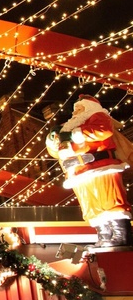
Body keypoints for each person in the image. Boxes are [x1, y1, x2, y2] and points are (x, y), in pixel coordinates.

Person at [46, 95, 133, 247]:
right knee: (91, 204)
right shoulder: (69, 125)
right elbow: (56, 149)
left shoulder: (97, 117)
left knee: (110, 200)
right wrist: (54, 138)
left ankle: (120, 235)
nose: (75, 112)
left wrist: (75, 134)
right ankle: (104, 235)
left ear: (89, 108)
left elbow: (103, 130)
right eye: (75, 109)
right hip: (79, 171)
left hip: (100, 165)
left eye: (79, 108)